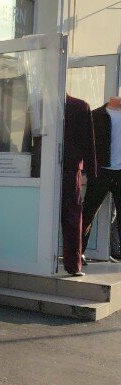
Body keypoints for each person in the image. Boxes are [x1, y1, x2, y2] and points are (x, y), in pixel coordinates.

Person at [82, 97, 121, 262]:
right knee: (87, 213)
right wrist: (86, 169)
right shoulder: (96, 115)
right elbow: (86, 144)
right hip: (101, 172)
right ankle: (78, 253)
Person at [62, 95, 96, 276]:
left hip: (64, 167)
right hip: (69, 167)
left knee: (72, 215)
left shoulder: (80, 106)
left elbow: (88, 142)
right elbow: (88, 142)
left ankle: (73, 264)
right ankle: (73, 265)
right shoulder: (79, 106)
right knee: (72, 216)